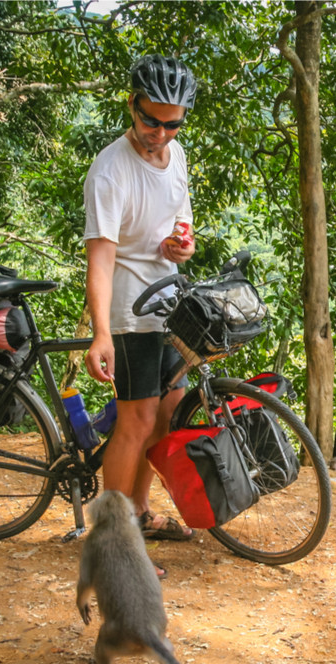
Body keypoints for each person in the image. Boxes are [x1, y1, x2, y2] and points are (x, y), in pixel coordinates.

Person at [82, 55, 198, 569]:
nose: (161, 133)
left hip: (170, 302)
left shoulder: (176, 157)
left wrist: (180, 248)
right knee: (137, 419)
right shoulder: (110, 170)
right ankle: (110, 540)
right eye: (151, 120)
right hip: (130, 309)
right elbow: (102, 259)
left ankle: (139, 511)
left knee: (169, 414)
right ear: (131, 105)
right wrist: (101, 332)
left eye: (172, 123)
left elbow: (179, 228)